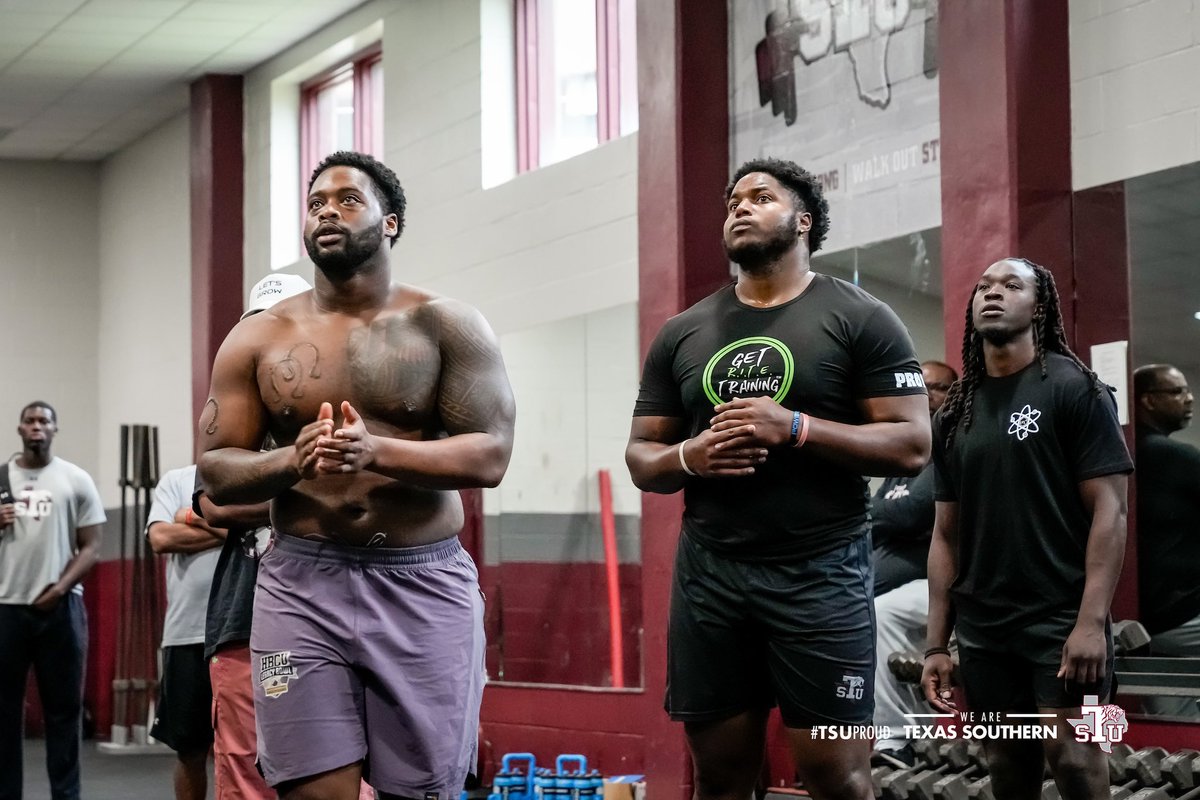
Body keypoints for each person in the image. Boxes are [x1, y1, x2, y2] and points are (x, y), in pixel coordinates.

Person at [198, 150, 516, 800]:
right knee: (309, 790)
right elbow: (216, 472)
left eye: (347, 200)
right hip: (300, 587)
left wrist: (375, 452)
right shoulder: (259, 338)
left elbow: (490, 455)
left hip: (421, 584)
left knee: (421, 790)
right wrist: (294, 459)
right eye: (316, 203)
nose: (326, 213)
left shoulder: (445, 324)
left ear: (390, 222)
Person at [626, 157, 931, 800]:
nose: (739, 206)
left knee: (838, 779)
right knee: (719, 776)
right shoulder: (683, 332)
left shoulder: (862, 319)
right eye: (733, 200)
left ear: (803, 220)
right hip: (712, 577)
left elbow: (910, 445)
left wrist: (796, 427)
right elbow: (641, 457)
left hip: (820, 573)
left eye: (760, 197)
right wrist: (691, 457)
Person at [921, 258, 1132, 800]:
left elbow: (1110, 512)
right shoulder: (954, 414)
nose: (994, 293)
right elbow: (946, 534)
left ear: (1038, 307)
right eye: (984, 286)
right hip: (986, 626)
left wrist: (1090, 623)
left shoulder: (1076, 389)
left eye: (1012, 285)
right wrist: (935, 645)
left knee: (1077, 759)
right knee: (1008, 763)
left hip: (1060, 618)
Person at [199, 273, 311, 800]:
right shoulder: (234, 425)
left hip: (323, 619)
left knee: (328, 766)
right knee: (245, 768)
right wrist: (298, 495)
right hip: (243, 618)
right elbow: (213, 503)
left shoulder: (337, 414)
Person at [0, 402, 106, 800]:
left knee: (64, 715)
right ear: (19, 428)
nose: (37, 427)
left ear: (55, 429)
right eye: (30, 420)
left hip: (60, 610)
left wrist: (60, 589)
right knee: (4, 715)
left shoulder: (74, 479)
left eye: (44, 421)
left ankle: (66, 795)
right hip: (6, 608)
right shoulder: (0, 479)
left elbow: (92, 546)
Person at [869, 360, 956, 763]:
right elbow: (882, 520)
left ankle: (898, 741)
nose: (926, 396)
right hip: (904, 584)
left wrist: (877, 511)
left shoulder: (951, 443)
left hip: (949, 587)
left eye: (937, 387)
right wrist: (882, 513)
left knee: (883, 613)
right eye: (920, 387)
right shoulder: (904, 452)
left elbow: (912, 513)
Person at [146, 464, 224, 800]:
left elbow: (267, 528)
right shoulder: (177, 480)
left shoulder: (256, 475)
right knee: (189, 750)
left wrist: (188, 517)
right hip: (186, 633)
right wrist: (227, 529)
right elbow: (161, 538)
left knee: (250, 749)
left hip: (246, 633)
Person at [1132, 364, 1200, 653]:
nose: (1189, 398)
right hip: (1183, 614)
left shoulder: (1126, 452)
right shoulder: (1173, 455)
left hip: (1145, 620)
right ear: (1148, 400)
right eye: (1177, 391)